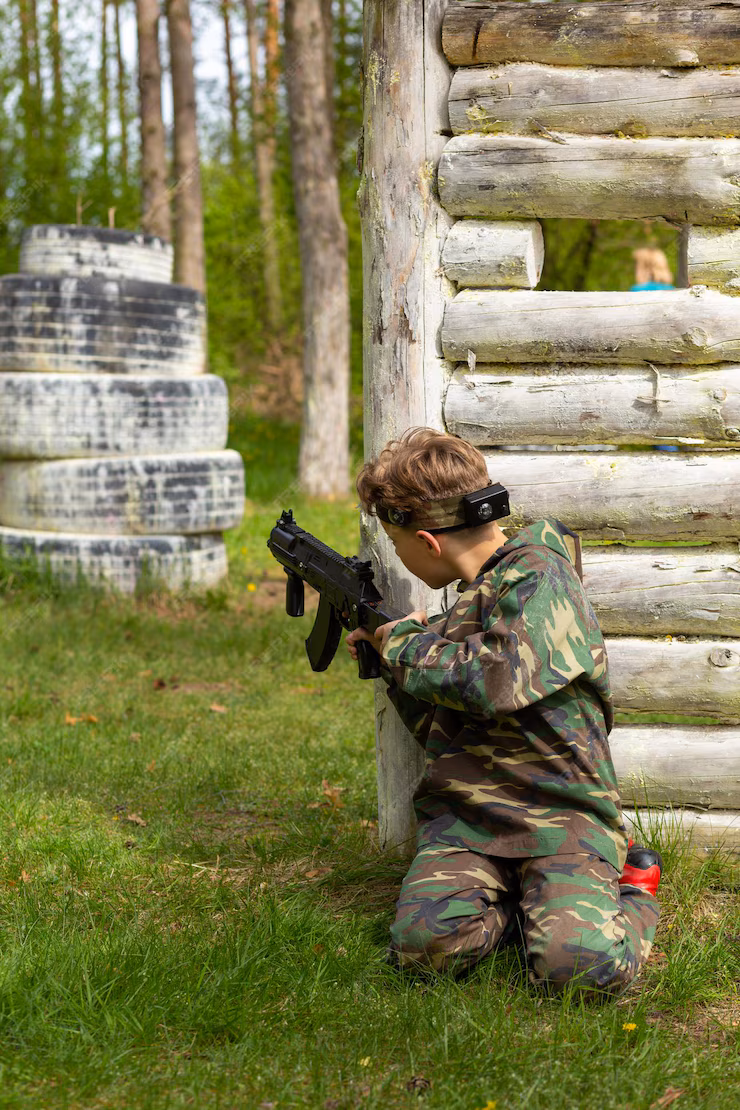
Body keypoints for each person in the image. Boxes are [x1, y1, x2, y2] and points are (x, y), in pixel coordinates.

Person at [347, 428, 662, 993]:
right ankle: (537, 903)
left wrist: (403, 646)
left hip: (563, 817)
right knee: (425, 950)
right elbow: (441, 720)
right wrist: (392, 665)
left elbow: (495, 680)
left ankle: (633, 887)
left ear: (428, 540)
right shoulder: (462, 610)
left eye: (397, 544)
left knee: (581, 970)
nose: (399, 555)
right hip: (470, 823)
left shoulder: (542, 576)